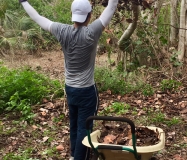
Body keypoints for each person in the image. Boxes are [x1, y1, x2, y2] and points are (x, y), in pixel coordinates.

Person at [19, 0, 119, 159]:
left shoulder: (62, 31)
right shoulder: (91, 32)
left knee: (74, 125)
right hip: (86, 91)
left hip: (70, 89)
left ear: (72, 15)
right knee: (84, 128)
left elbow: (38, 18)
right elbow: (112, 6)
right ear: (90, 15)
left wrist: (24, 2)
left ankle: (74, 155)